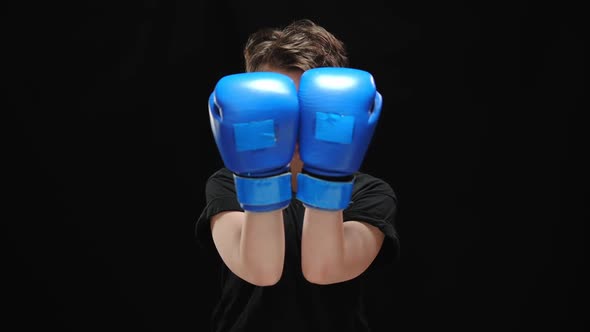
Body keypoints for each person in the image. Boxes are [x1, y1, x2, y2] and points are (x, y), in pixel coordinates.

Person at [194, 18, 400, 332]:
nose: (287, 121)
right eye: (274, 107)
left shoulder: (370, 193)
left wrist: (327, 169)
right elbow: (260, 269)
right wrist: (259, 169)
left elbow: (325, 268)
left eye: (302, 109)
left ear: (334, 108)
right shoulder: (227, 185)